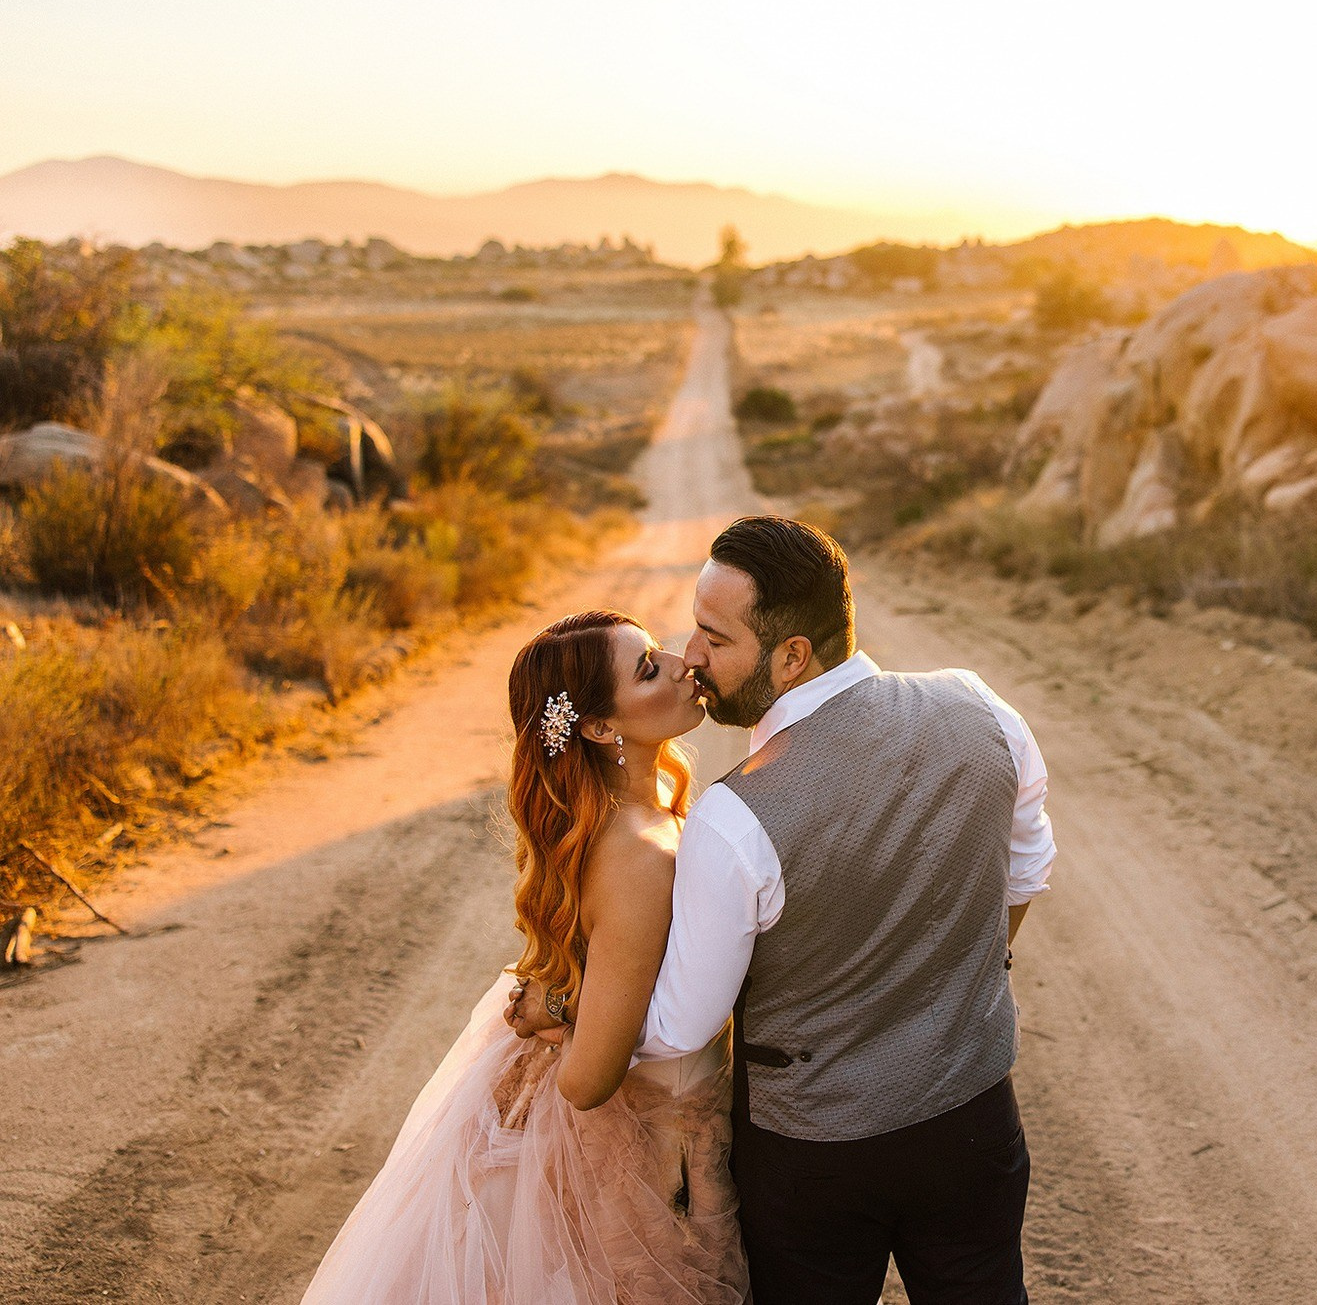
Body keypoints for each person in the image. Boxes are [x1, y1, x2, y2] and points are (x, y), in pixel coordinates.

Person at [512, 516, 1056, 1304]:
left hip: (813, 1157)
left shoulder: (734, 818)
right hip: (971, 1119)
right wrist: (968, 970)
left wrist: (569, 1007)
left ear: (791, 655)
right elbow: (1028, 863)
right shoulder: (979, 707)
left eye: (713, 637)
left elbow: (679, 1027)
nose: (691, 655)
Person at [304, 609, 750, 1304]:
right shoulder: (637, 855)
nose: (679, 664)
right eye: (647, 667)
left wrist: (563, 1001)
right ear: (601, 729)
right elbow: (586, 1081)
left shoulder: (632, 812)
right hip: (637, 1153)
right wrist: (572, 1006)